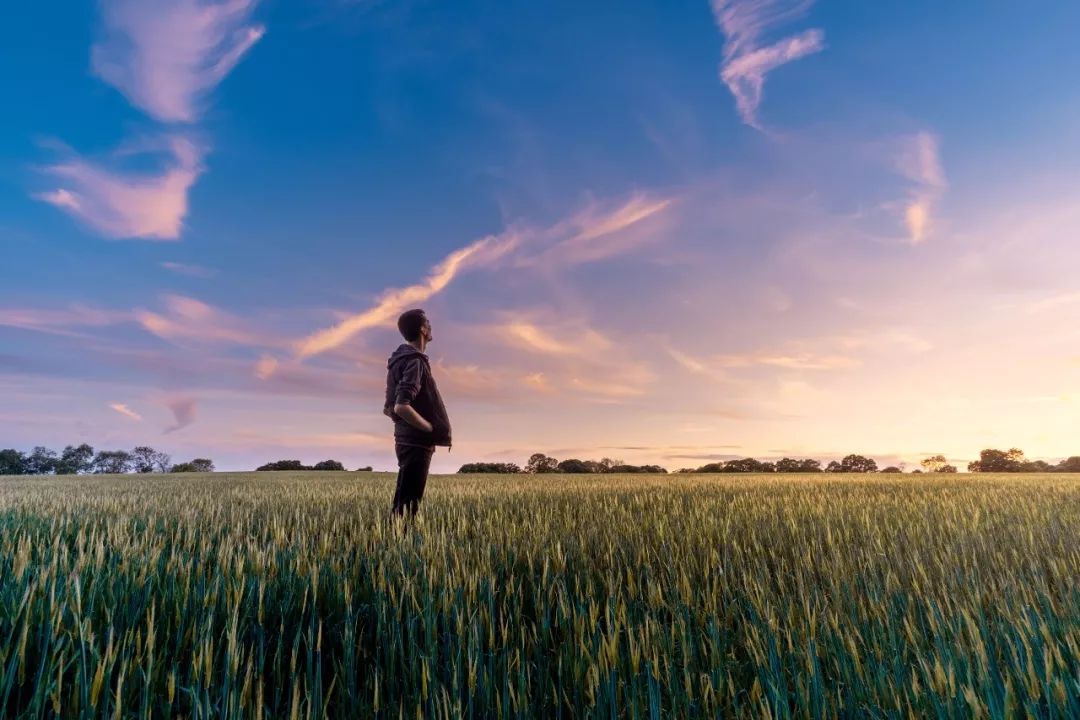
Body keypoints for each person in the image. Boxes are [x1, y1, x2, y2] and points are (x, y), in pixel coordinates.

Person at [383, 308, 452, 521]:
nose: (431, 326)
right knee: (409, 505)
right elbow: (400, 406)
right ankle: (398, 547)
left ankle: (393, 543)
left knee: (403, 501)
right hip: (416, 442)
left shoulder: (400, 360)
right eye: (428, 323)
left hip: (404, 439)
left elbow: (390, 405)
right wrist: (429, 428)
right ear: (422, 329)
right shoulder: (415, 361)